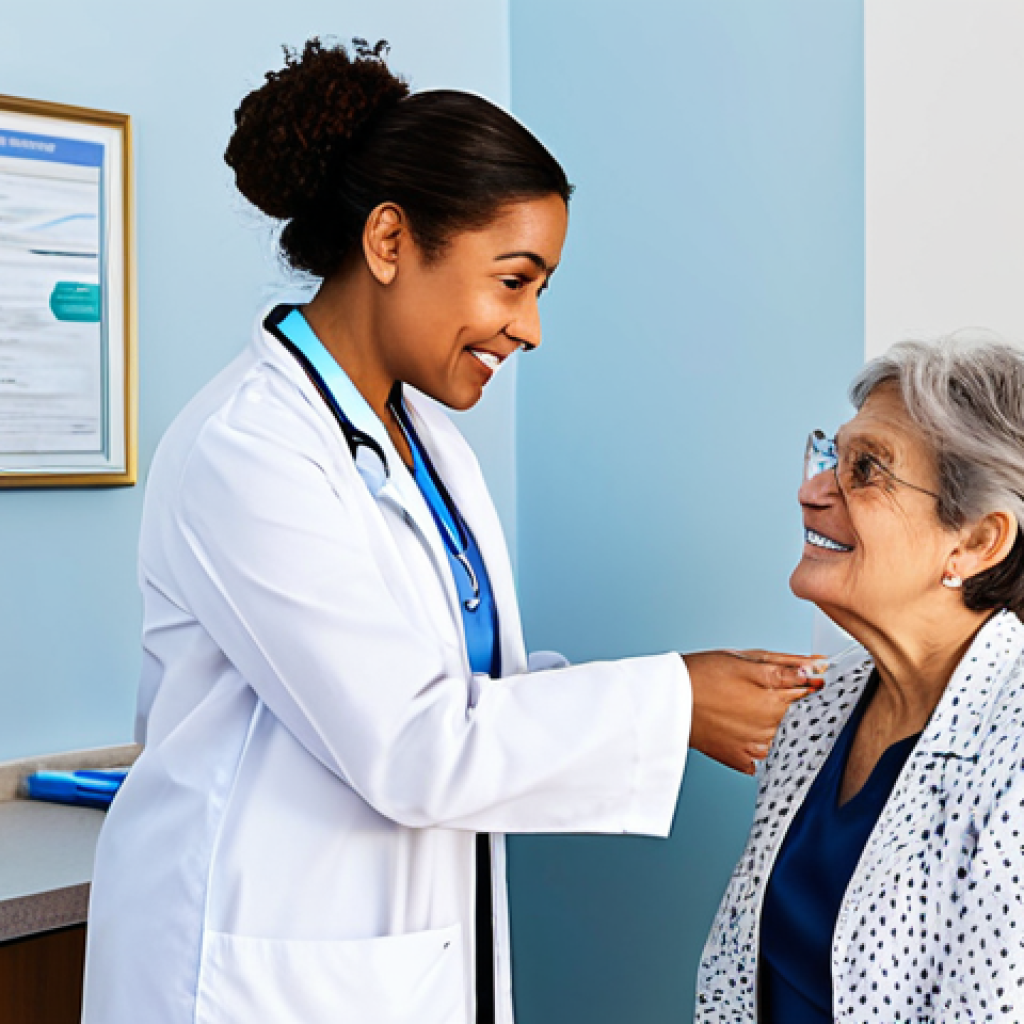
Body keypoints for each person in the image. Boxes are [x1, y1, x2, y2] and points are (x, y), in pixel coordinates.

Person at [82, 39, 821, 1024]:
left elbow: (470, 693)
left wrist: (671, 693)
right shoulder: (248, 449)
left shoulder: (424, 441)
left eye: (539, 290)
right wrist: (670, 701)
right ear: (389, 242)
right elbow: (413, 740)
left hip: (391, 962)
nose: (530, 328)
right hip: (249, 972)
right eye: (513, 280)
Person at [698, 335, 1024, 1023]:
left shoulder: (1014, 749)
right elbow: (734, 976)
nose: (812, 492)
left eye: (866, 469)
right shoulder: (817, 709)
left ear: (974, 542)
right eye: (831, 456)